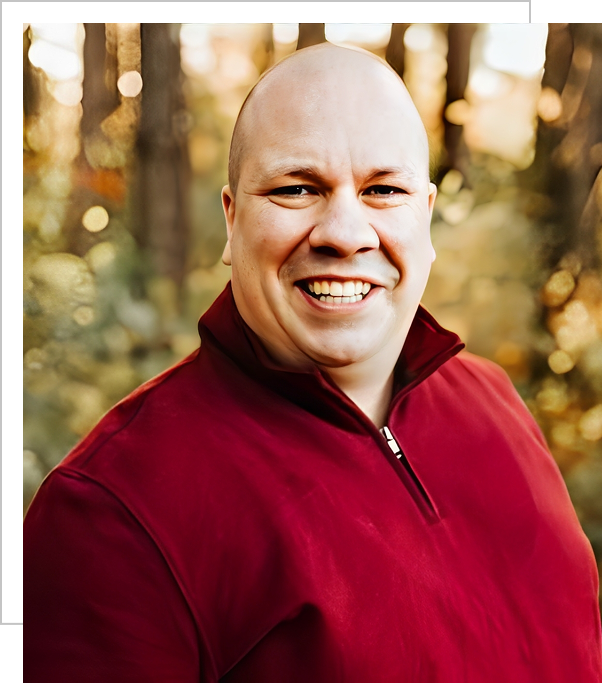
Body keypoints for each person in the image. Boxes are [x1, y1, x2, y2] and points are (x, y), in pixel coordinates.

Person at [24, 43, 602, 682]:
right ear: (232, 216)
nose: (345, 233)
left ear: (427, 218)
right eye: (297, 188)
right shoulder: (110, 513)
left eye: (384, 189)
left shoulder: (492, 399)